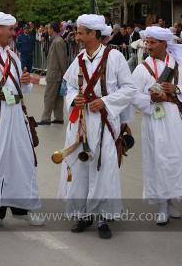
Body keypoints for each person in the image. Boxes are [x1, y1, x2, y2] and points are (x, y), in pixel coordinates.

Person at [58, 14, 136, 239]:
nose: (77, 35)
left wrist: (106, 101)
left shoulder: (115, 57)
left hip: (103, 122)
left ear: (93, 34)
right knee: (80, 168)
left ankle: (103, 218)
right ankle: (83, 215)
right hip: (81, 123)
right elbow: (70, 86)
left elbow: (129, 89)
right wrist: (75, 98)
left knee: (103, 169)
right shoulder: (80, 58)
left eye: (81, 32)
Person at [0, 12, 44, 229]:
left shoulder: (13, 56)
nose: (13, 32)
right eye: (11, 28)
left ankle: (23, 209)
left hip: (15, 115)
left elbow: (19, 88)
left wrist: (25, 82)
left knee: (21, 160)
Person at [132, 26, 182, 225]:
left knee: (175, 159)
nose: (148, 46)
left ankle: (172, 201)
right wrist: (151, 99)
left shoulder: (177, 65)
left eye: (152, 43)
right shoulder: (142, 68)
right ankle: (162, 204)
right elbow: (133, 95)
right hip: (154, 120)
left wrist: (176, 88)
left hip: (176, 119)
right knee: (158, 159)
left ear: (164, 44)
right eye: (147, 42)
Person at [38, 22, 68, 125]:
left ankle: (46, 118)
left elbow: (62, 59)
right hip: (56, 73)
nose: (47, 30)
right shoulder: (57, 41)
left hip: (55, 74)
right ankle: (59, 117)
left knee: (49, 96)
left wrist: (65, 74)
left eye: (48, 28)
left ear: (52, 29)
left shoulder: (57, 42)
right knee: (57, 97)